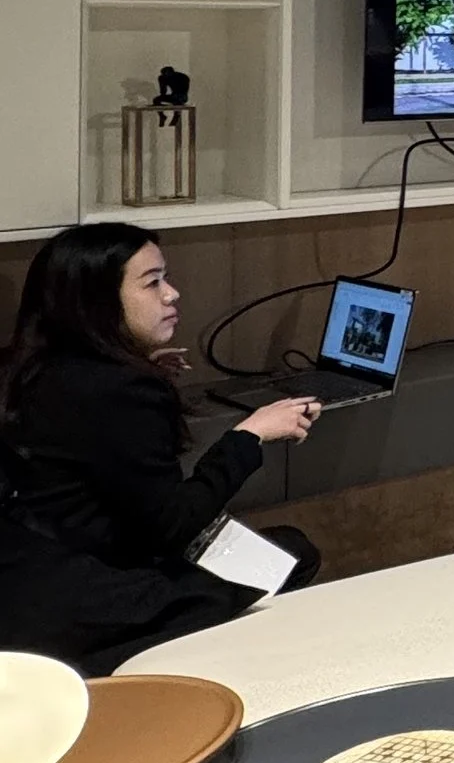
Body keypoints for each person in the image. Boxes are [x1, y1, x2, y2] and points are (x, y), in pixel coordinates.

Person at [0, 222, 323, 672]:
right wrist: (250, 435)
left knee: (282, 547)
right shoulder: (119, 390)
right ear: (97, 300)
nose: (172, 294)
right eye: (152, 283)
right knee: (293, 555)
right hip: (81, 601)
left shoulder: (27, 364)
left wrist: (139, 368)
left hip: (21, 576)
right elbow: (173, 526)